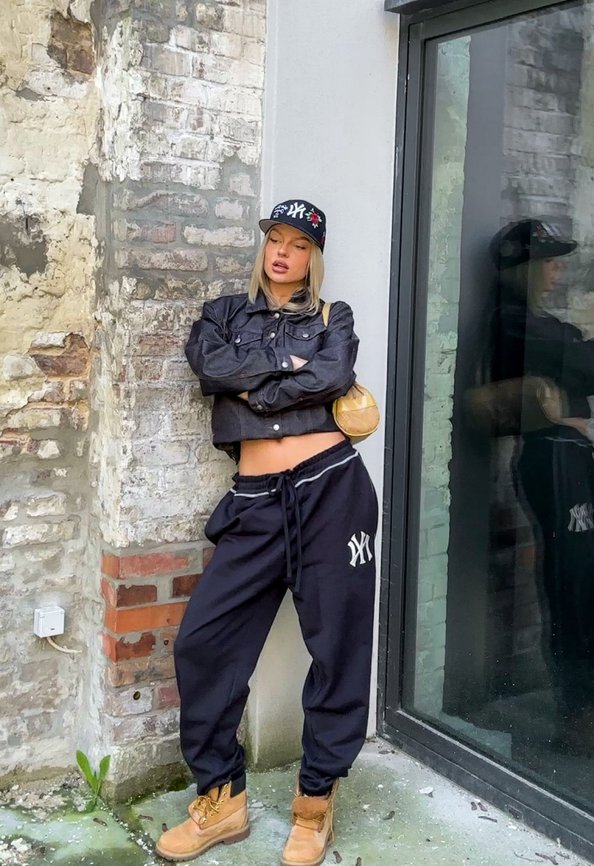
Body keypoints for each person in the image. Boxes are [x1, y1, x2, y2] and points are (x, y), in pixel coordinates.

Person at [156, 199, 378, 865]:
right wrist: (295, 382)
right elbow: (211, 369)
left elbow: (333, 375)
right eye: (274, 240)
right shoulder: (223, 315)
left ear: (314, 255)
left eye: (298, 244)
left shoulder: (334, 318)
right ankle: (222, 799)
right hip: (254, 503)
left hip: (333, 489)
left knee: (336, 647)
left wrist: (257, 393)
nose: (282, 252)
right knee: (204, 643)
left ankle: (315, 803)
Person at [488, 218, 594, 751]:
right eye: (549, 262)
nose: (557, 272)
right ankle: (579, 713)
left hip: (572, 456)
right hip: (554, 461)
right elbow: (587, 365)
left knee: (586, 579)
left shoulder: (540, 323)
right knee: (573, 581)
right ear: (524, 269)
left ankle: (585, 705)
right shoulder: (516, 323)